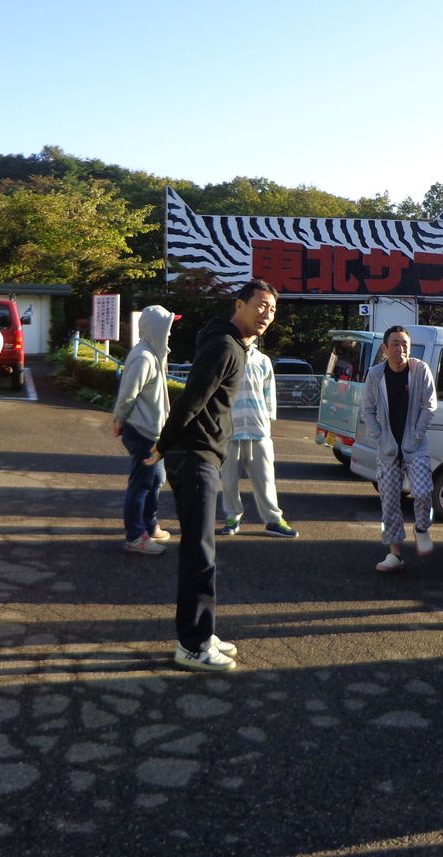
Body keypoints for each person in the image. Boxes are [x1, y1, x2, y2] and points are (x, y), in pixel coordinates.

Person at [148, 280, 278, 672]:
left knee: (201, 551)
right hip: (194, 454)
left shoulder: (233, 345)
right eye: (261, 305)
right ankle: (193, 644)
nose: (267, 314)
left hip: (202, 453)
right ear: (239, 305)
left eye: (273, 309)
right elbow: (192, 399)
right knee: (200, 554)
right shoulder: (224, 346)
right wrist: (162, 445)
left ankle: (202, 631)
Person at [361, 325, 437, 573]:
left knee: (424, 491)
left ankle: (422, 528)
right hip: (388, 449)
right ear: (385, 348)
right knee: (390, 503)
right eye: (395, 344)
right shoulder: (375, 374)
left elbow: (430, 404)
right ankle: (394, 554)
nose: (400, 349)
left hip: (416, 447)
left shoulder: (420, 369)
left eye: (405, 344)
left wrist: (417, 433)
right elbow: (367, 409)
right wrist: (379, 435)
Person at [113, 305, 178, 555]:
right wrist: (119, 419)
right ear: (155, 328)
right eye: (167, 327)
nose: (170, 333)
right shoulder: (144, 357)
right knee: (141, 485)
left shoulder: (154, 353)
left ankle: (149, 527)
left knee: (155, 480)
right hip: (142, 431)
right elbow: (128, 394)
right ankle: (135, 536)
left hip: (153, 432)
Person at [217, 340, 299, 538]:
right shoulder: (225, 357)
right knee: (228, 480)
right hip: (229, 430)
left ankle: (273, 519)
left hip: (258, 429)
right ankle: (232, 517)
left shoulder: (262, 360)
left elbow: (269, 391)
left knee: (266, 479)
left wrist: (267, 418)